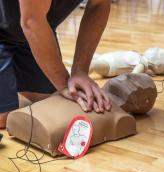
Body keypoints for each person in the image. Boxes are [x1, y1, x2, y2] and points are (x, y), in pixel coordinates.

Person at [0, 0, 111, 128]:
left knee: (50, 100)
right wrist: (64, 85)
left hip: (28, 31)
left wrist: (80, 71)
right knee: (4, 118)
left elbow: (99, 4)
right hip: (26, 25)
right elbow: (31, 22)